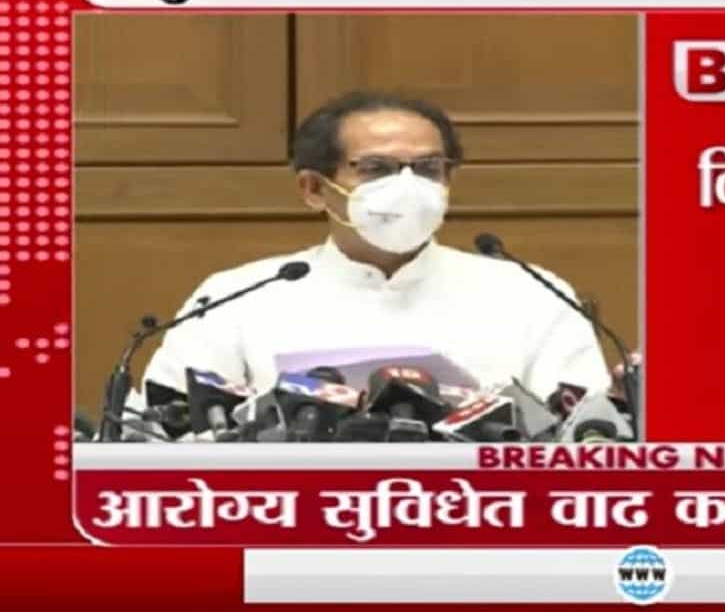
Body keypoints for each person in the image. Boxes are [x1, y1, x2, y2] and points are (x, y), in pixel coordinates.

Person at [140, 90, 620, 410]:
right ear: (314, 188)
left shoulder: (529, 292)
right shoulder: (238, 296)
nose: (408, 187)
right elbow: (160, 432)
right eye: (376, 169)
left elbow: (588, 436)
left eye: (428, 169)